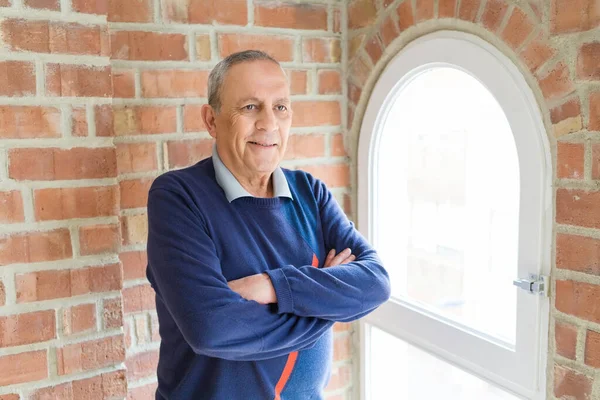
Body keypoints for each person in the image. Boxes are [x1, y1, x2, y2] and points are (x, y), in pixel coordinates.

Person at [146, 50, 391, 400]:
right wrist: (327, 304)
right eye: (249, 107)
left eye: (281, 107)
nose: (268, 124)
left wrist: (273, 286)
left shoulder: (311, 193)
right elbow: (212, 329)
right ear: (212, 120)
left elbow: (375, 283)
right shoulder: (178, 197)